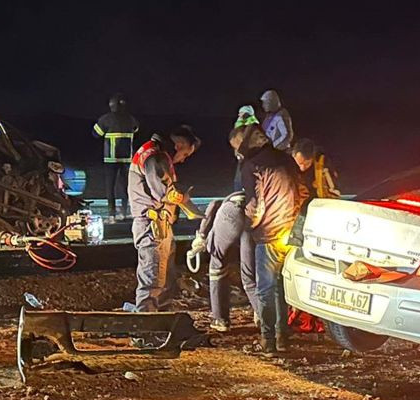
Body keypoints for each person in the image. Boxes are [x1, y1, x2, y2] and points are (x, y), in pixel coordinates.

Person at [235, 122, 306, 353]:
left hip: (268, 235)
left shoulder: (252, 165)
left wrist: (249, 227)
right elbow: (303, 192)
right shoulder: (286, 159)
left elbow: (256, 205)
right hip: (290, 232)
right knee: (281, 288)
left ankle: (267, 340)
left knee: (265, 289)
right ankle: (283, 337)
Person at [128, 125, 202, 312]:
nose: (183, 160)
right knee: (153, 281)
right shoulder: (155, 156)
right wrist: (184, 200)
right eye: (185, 154)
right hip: (152, 226)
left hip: (159, 225)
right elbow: (165, 192)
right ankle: (145, 329)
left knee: (164, 278)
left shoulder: (155, 153)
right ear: (179, 144)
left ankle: (164, 320)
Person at [189, 185, 259, 333]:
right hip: (253, 219)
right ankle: (266, 320)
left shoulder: (221, 206)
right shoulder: (257, 194)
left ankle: (220, 319)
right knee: (249, 277)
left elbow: (214, 204)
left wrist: (201, 235)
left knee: (217, 267)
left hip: (231, 215)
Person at [93, 94, 139, 220]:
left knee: (110, 186)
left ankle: (111, 213)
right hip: (127, 158)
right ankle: (124, 211)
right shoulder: (131, 119)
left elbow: (96, 133)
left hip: (111, 159)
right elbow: (136, 130)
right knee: (125, 185)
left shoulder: (105, 119)